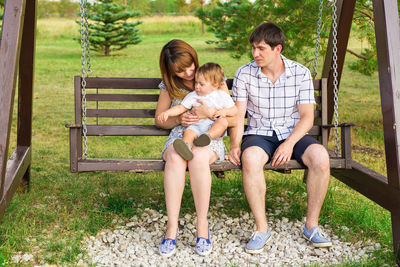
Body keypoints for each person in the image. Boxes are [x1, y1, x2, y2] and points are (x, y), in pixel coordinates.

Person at [228, 22, 332, 254]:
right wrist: (235, 144)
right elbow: (238, 114)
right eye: (253, 48)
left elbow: (306, 117)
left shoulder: (300, 73)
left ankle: (312, 226)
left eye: (261, 48)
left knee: (320, 156)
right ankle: (262, 228)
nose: (255, 53)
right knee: (251, 159)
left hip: (292, 133)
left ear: (278, 49)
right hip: (259, 133)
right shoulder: (245, 73)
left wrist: (289, 143)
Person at [155, 39, 234, 257]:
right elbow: (160, 120)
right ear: (171, 70)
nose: (189, 73)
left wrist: (213, 115)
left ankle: (202, 225)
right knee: (175, 156)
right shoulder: (168, 85)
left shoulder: (212, 77)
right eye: (180, 71)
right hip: (182, 133)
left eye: (190, 66)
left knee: (198, 158)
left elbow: (232, 113)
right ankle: (172, 227)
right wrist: (180, 120)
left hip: (209, 134)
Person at [157, 62, 237, 161]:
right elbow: (181, 108)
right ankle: (186, 148)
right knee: (188, 132)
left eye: (201, 84)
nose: (197, 86)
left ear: (215, 85)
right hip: (196, 125)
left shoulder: (221, 96)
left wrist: (224, 112)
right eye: (196, 82)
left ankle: (207, 137)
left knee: (222, 122)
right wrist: (167, 113)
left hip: (213, 124)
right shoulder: (193, 95)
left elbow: (234, 110)